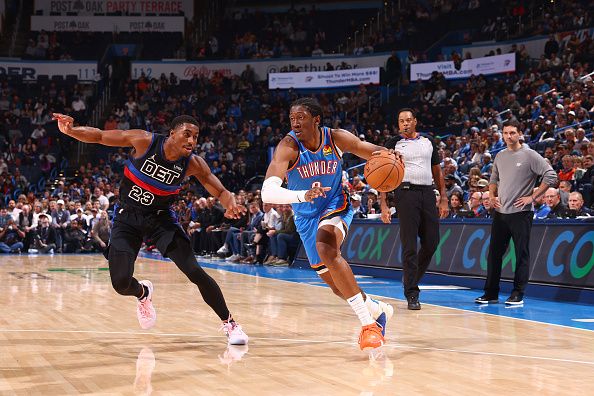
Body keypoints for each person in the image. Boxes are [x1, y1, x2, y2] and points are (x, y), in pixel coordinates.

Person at [52, 113, 249, 345]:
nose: (192, 141)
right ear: (172, 133)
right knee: (121, 283)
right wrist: (72, 131)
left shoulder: (193, 164)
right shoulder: (144, 141)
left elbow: (221, 191)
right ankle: (142, 293)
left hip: (161, 220)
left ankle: (230, 324)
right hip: (127, 218)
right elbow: (100, 136)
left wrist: (231, 204)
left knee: (194, 270)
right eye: (187, 134)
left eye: (195, 137)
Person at [261, 97, 393, 350]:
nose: (296, 123)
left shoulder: (336, 137)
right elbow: (268, 193)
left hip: (335, 203)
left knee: (327, 247)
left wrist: (389, 154)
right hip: (305, 216)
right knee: (336, 286)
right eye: (292, 119)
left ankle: (369, 326)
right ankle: (377, 310)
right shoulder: (288, 146)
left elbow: (368, 149)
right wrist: (303, 195)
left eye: (301, 118)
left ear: (316, 120)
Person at [476, 120, 557, 306]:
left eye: (512, 133)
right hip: (501, 212)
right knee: (494, 254)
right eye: (505, 133)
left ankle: (517, 293)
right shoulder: (500, 156)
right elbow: (494, 178)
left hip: (521, 213)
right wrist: (492, 195)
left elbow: (550, 176)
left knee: (521, 254)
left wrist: (533, 197)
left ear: (519, 134)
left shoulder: (530, 155)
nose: (509, 136)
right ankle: (491, 293)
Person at [381, 108, 449, 310]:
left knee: (432, 242)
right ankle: (412, 292)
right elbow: (382, 173)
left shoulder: (428, 141)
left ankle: (409, 278)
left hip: (428, 192)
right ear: (398, 123)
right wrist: (384, 203)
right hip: (405, 193)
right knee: (409, 245)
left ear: (415, 121)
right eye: (401, 121)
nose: (405, 123)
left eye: (408, 120)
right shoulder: (392, 143)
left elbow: (437, 171)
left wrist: (443, 198)